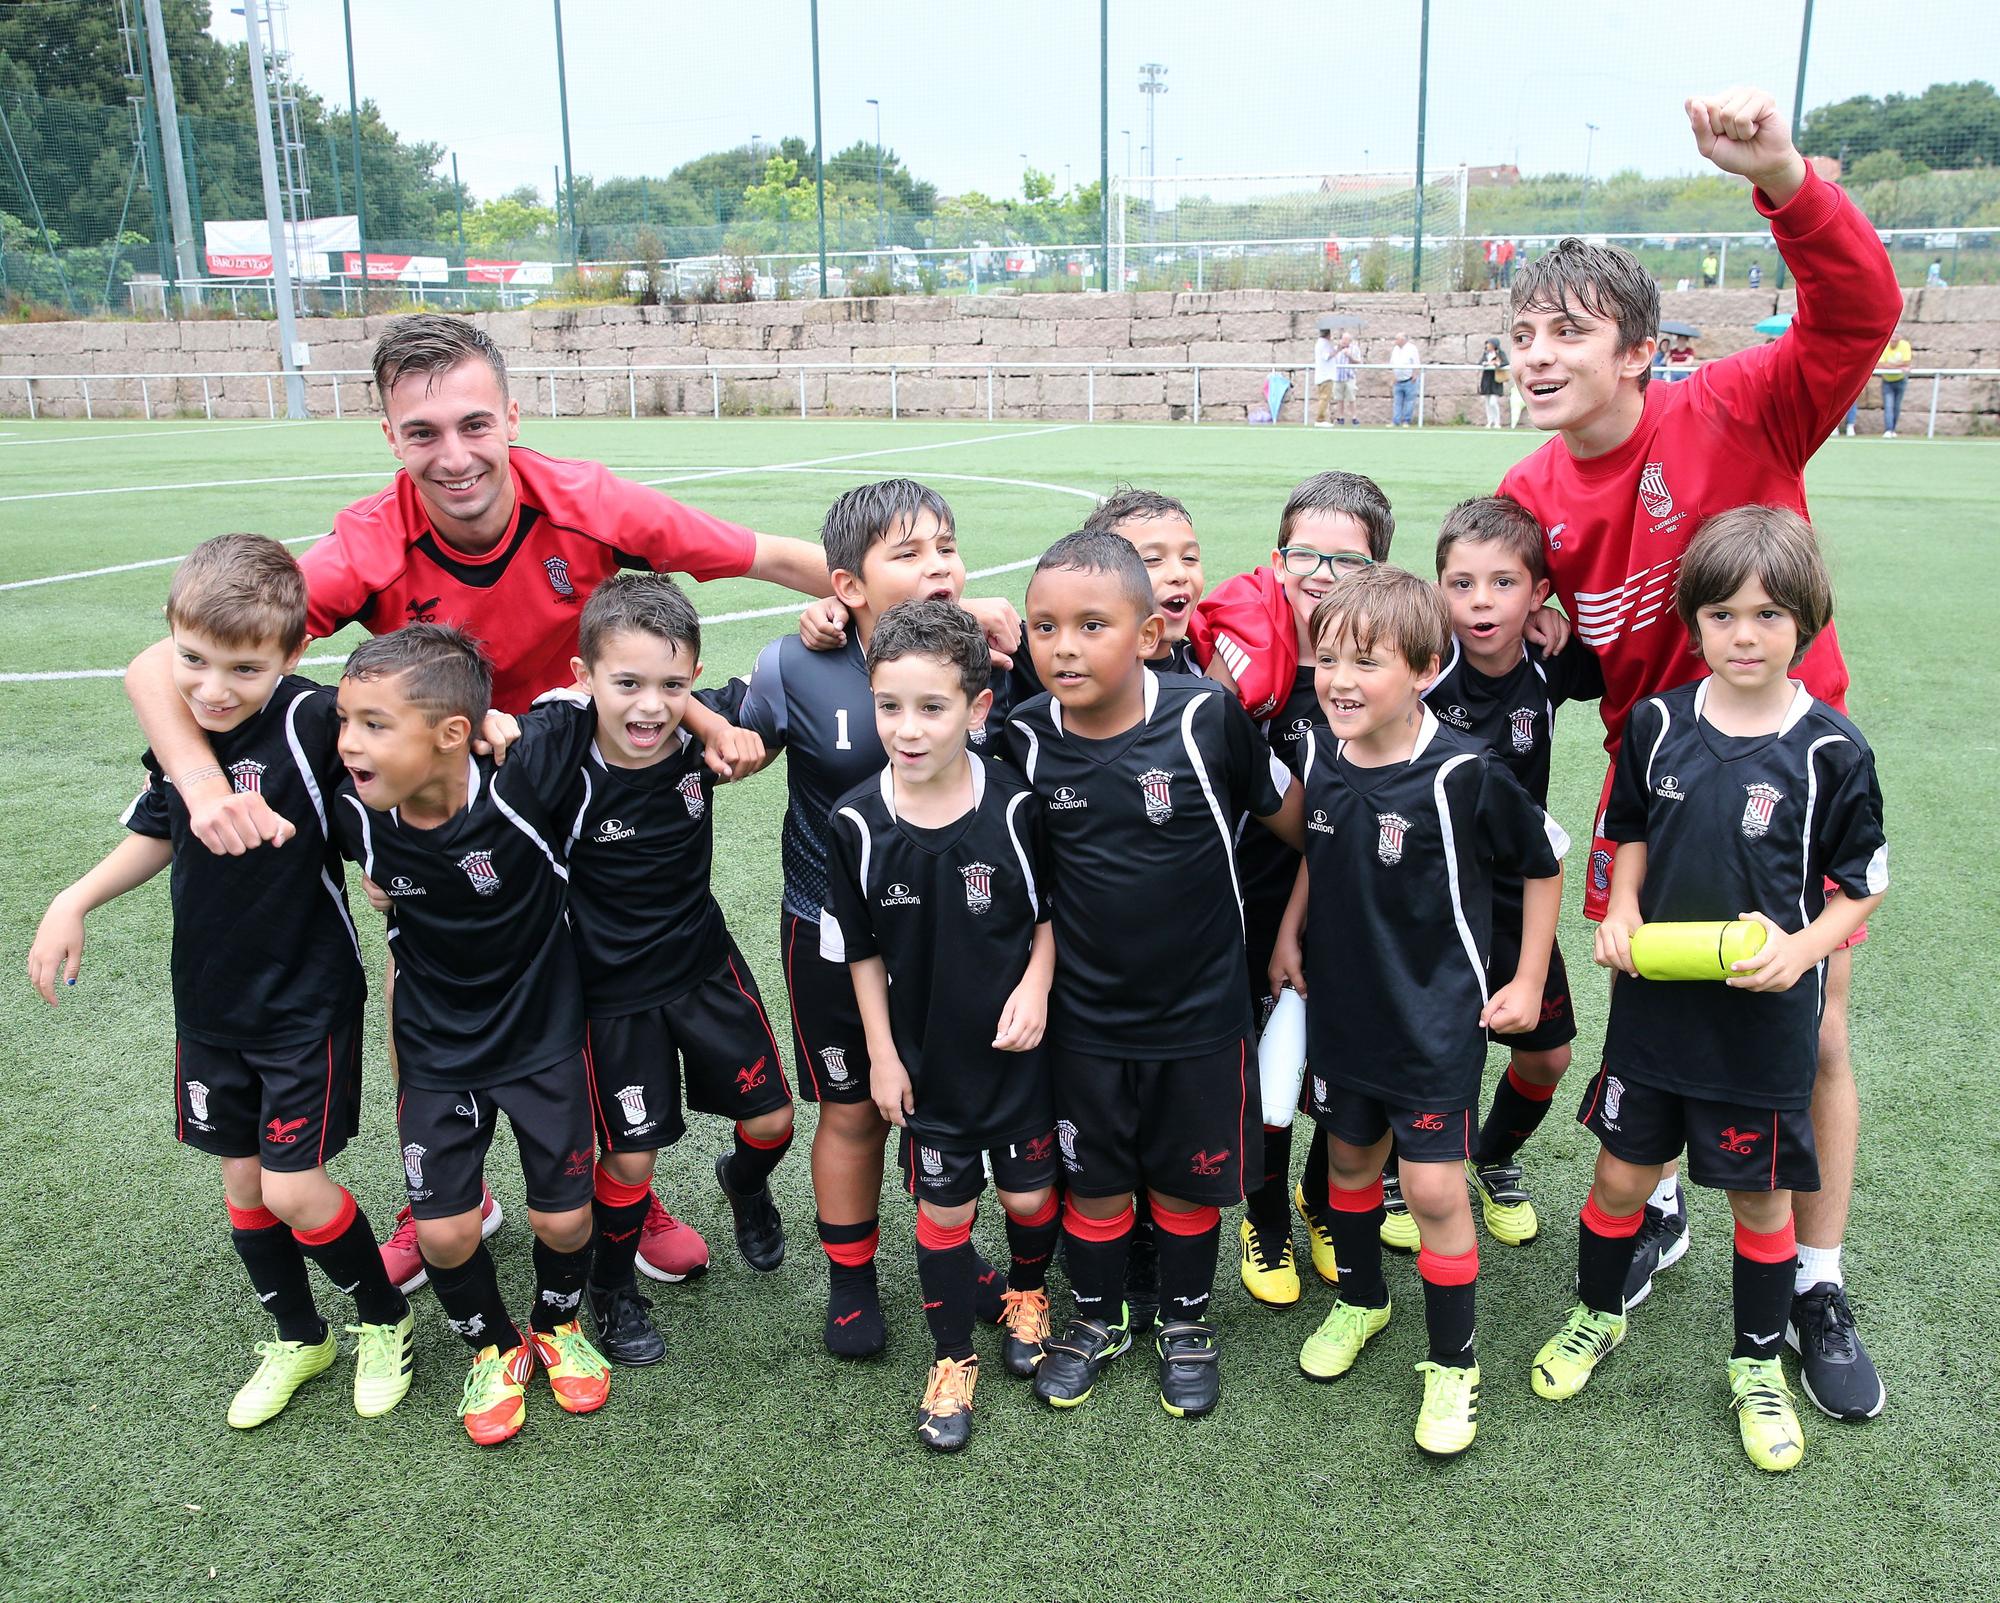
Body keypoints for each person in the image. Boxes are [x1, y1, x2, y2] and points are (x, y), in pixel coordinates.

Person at [121, 314, 839, 1290]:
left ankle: (617, 1175)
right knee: (423, 969)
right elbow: (157, 665)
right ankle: (440, 1194)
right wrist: (201, 788)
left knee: (583, 980)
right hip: (440, 792)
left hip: (567, 781)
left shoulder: (586, 501)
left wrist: (890, 610)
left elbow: (774, 555)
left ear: (511, 414)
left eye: (471, 424)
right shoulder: (370, 543)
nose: (453, 456)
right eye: (422, 433)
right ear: (388, 436)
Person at [1498, 85, 1901, 1418]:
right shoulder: (1527, 496)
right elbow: (1532, 653)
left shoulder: (1737, 406)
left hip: (1786, 773)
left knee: (1812, 1029)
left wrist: (1783, 176)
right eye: (1522, 333)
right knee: (1649, 1011)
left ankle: (1818, 1278)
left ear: (1642, 351)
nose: (1538, 352)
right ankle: (1657, 1202)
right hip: (1652, 778)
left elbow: (1858, 316)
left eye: (1569, 331)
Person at [28, 535, 412, 1431]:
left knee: (292, 1187)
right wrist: (72, 898)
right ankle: (298, 1335)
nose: (211, 687)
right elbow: (162, 830)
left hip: (304, 1000)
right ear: (171, 642)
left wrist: (387, 864)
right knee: (244, 1185)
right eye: (193, 660)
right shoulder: (183, 729)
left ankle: (384, 1318)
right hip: (209, 1002)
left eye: (243, 667)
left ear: (292, 655)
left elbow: (380, 800)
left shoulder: (315, 720)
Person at [1529, 506, 1887, 1470]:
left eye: (1769, 615)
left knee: (1760, 1200)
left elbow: (1864, 889)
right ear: (1694, 623)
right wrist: (1623, 910)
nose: (1744, 634)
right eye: (1724, 614)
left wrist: (1805, 948)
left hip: (1761, 1027)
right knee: (1617, 1179)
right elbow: (1630, 831)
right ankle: (1597, 1315)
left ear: (1805, 622)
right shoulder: (1655, 725)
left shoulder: (1832, 751)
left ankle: (1758, 1365)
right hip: (1657, 1012)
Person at [1269, 567, 1567, 1457]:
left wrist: (1525, 978)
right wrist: (1290, 932)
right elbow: (1322, 855)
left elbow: (1544, 862)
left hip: (1436, 1016)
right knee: (1350, 1163)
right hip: (1345, 1010)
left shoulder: (1464, 772)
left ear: (1428, 668)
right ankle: (1362, 1299)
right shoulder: (1320, 754)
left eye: (1367, 661)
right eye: (1328, 659)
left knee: (1434, 1186)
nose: (1340, 680)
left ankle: (1453, 1362)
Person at [1008, 531, 1302, 1419]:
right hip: (1085, 1021)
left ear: (1146, 634)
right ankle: (1097, 1318)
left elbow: (1301, 825)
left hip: (1202, 1018)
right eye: (1044, 626)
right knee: (1093, 1185)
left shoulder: (1205, 717)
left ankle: (1184, 1322)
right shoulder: (1020, 739)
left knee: (1186, 1182)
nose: (1063, 645)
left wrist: (1297, 928)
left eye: (1091, 624)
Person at [731, 480, 1011, 1358]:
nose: (937, 566)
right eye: (908, 552)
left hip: (959, 938)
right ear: (847, 585)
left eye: (946, 547)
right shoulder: (796, 664)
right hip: (830, 928)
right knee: (851, 1108)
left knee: (952, 1105)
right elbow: (706, 733)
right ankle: (852, 1281)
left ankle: (954, 1256)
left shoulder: (994, 656)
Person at [329, 625, 607, 1447]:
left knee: (562, 1219)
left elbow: (604, 689)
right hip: (436, 1045)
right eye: (346, 720)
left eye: (375, 725)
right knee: (445, 1230)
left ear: (456, 734)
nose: (348, 742)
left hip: (541, 1033)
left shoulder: (525, 774)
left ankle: (557, 1326)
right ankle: (493, 1346)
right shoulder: (354, 803)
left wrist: (508, 717)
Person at [541, 573, 797, 1367]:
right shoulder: (554, 756)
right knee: (630, 1157)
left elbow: (778, 681)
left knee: (774, 1122)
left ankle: (742, 1183)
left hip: (704, 968)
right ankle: (613, 1287)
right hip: (611, 998)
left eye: (671, 685)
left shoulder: (700, 734)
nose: (650, 706)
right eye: (627, 683)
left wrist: (819, 626)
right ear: (584, 678)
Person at [820, 600, 1059, 1452]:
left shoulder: (1019, 807)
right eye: (890, 706)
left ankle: (1028, 1296)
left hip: (1017, 1060)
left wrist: (1036, 986)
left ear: (978, 708)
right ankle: (953, 1356)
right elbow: (857, 952)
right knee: (946, 1214)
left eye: (932, 707)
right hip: (926, 1066)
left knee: (1030, 1196)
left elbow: (1046, 917)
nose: (908, 728)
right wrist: (882, 1057)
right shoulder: (854, 820)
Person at [1188, 473, 1400, 1290]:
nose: (1320, 572)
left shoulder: (1385, 667)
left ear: (1378, 570)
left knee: (1349, 1068)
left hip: (1359, 903)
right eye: (1304, 553)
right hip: (1257, 897)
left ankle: (1322, 1198)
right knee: (1264, 1062)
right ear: (1277, 559)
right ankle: (1267, 1214)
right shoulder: (1241, 654)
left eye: (1344, 559)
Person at [1427, 497, 1603, 1245]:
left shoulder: (1550, 657)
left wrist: (1571, 628)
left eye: (1503, 582)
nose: (1480, 600)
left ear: (1538, 593)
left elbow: (1612, 668)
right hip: (1428, 887)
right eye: (1460, 582)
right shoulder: (1425, 660)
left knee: (1549, 1052)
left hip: (1516, 884)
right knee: (1427, 1044)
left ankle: (1490, 1155)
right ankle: (1412, 1172)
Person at [1878, 329, 1912, 437]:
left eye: (1896, 336)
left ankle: (1893, 429)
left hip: (1901, 380)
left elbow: (1907, 362)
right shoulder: (1884, 345)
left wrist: (1892, 365)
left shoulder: (1905, 345)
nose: (1894, 339)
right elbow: (1880, 364)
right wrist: (1900, 366)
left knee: (1896, 406)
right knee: (1888, 405)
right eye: (1892, 337)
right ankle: (1888, 429)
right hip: (1887, 381)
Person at [1389, 332, 1422, 426]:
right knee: (1397, 402)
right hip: (1398, 380)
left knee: (1409, 401)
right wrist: (1393, 376)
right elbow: (1392, 364)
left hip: (1409, 380)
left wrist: (1415, 374)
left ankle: (1406, 421)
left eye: (1397, 339)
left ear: (1403, 340)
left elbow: (1416, 362)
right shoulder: (1395, 349)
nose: (1395, 341)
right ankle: (1396, 421)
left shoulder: (1412, 349)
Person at [1478, 338, 1507, 427]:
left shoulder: (1500, 354)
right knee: (1487, 402)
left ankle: (1497, 422)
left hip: (1495, 380)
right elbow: (1480, 363)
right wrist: (1486, 363)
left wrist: (1497, 364)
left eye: (1489, 344)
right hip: (1486, 380)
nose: (1487, 346)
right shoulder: (1485, 354)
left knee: (1493, 402)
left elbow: (1505, 362)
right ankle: (1490, 421)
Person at [1313, 328, 1339, 426]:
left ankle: (1322, 418)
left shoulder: (1322, 343)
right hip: (1325, 375)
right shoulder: (1323, 344)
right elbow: (1326, 356)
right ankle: (1320, 419)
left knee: (1324, 398)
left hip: (1325, 374)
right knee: (1324, 398)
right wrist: (1338, 350)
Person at [1333, 335, 1361, 426]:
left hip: (1349, 377)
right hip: (1338, 377)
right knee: (1339, 398)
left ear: (1350, 341)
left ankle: (1354, 417)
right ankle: (1340, 417)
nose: (1344, 341)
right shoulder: (1336, 348)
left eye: (1346, 340)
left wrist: (1349, 356)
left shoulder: (1355, 349)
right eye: (1343, 339)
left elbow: (1358, 362)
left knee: (1351, 398)